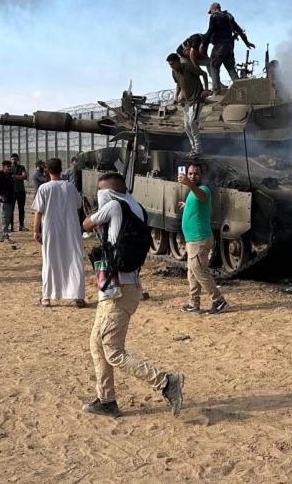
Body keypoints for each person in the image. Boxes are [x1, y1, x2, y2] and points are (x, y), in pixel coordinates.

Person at [81, 172, 184, 418]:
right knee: (97, 343)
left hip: (118, 289)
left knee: (113, 351)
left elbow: (86, 224)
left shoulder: (114, 206)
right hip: (121, 286)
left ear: (109, 192)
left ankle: (166, 382)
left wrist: (97, 210)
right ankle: (106, 400)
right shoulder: (136, 207)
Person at [32, 158, 86, 307]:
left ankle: (47, 297)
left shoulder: (44, 188)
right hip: (71, 230)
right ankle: (78, 296)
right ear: (61, 170)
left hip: (51, 230)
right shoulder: (70, 187)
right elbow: (78, 204)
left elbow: (38, 212)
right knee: (74, 260)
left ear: (47, 171)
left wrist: (35, 230)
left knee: (50, 261)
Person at [178, 162, 228, 314]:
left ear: (202, 176)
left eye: (196, 174)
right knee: (192, 273)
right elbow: (199, 204)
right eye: (190, 173)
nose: (193, 176)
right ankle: (194, 302)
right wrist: (186, 205)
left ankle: (219, 301)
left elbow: (201, 196)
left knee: (200, 272)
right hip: (192, 239)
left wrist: (188, 184)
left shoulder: (203, 189)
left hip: (199, 239)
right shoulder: (193, 192)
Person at [203, 2, 255, 94]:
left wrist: (203, 43)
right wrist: (246, 42)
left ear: (213, 9)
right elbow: (238, 29)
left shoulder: (214, 16)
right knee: (231, 69)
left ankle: (216, 91)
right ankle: (241, 90)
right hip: (229, 47)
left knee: (214, 67)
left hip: (219, 46)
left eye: (210, 11)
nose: (211, 13)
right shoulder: (228, 16)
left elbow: (210, 31)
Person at [168, 52, 211, 155]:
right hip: (187, 102)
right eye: (170, 65)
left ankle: (198, 149)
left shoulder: (188, 67)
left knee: (192, 122)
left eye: (173, 64)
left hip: (197, 99)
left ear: (178, 61)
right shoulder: (174, 72)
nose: (172, 66)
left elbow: (204, 74)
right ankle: (194, 149)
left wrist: (205, 90)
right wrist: (175, 97)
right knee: (186, 126)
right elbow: (178, 84)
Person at [0, 160, 16, 240]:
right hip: (3, 200)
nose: (9, 168)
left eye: (10, 166)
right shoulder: (0, 176)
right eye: (8, 167)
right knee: (4, 217)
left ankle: (5, 234)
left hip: (10, 199)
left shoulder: (10, 175)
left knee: (8, 217)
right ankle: (3, 235)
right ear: (3, 167)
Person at [9, 153, 28, 232]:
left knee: (21, 208)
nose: (14, 161)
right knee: (11, 209)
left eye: (15, 159)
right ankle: (11, 226)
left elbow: (25, 176)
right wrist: (20, 177)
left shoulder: (21, 167)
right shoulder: (9, 168)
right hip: (12, 191)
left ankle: (21, 225)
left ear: (18, 160)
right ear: (11, 160)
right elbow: (9, 177)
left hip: (21, 191)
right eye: (12, 159)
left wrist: (14, 176)